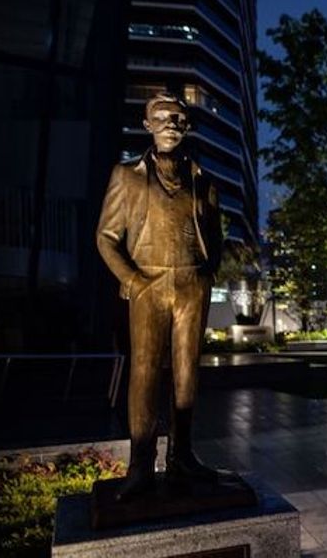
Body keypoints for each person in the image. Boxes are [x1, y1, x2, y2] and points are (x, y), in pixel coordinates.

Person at [96, 92, 222, 501]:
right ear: (147, 124)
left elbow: (216, 236)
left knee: (187, 375)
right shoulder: (126, 175)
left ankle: (181, 455)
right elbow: (106, 236)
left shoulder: (203, 180)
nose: (171, 122)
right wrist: (132, 281)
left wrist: (207, 274)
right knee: (145, 373)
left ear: (186, 126)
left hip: (191, 286)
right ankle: (140, 466)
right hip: (147, 283)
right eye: (162, 116)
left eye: (178, 117)